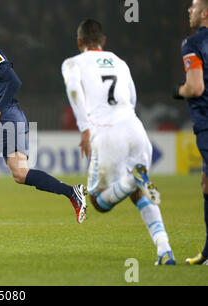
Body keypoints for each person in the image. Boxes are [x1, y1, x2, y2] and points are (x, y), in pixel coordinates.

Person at [0, 3, 87, 240]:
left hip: (4, 118)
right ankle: (72, 192)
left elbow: (13, 81)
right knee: (20, 173)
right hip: (10, 117)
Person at [61, 19, 175, 265]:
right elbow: (132, 97)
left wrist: (84, 129)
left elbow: (73, 91)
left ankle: (133, 177)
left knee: (97, 201)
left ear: (79, 42)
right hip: (135, 128)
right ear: (103, 41)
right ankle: (164, 249)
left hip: (107, 133)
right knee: (137, 193)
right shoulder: (120, 62)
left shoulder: (73, 63)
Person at [173, 0, 208, 265]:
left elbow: (195, 88)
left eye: (194, 6)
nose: (189, 10)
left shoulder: (193, 44)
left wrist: (179, 90)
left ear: (205, 13)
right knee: (206, 183)